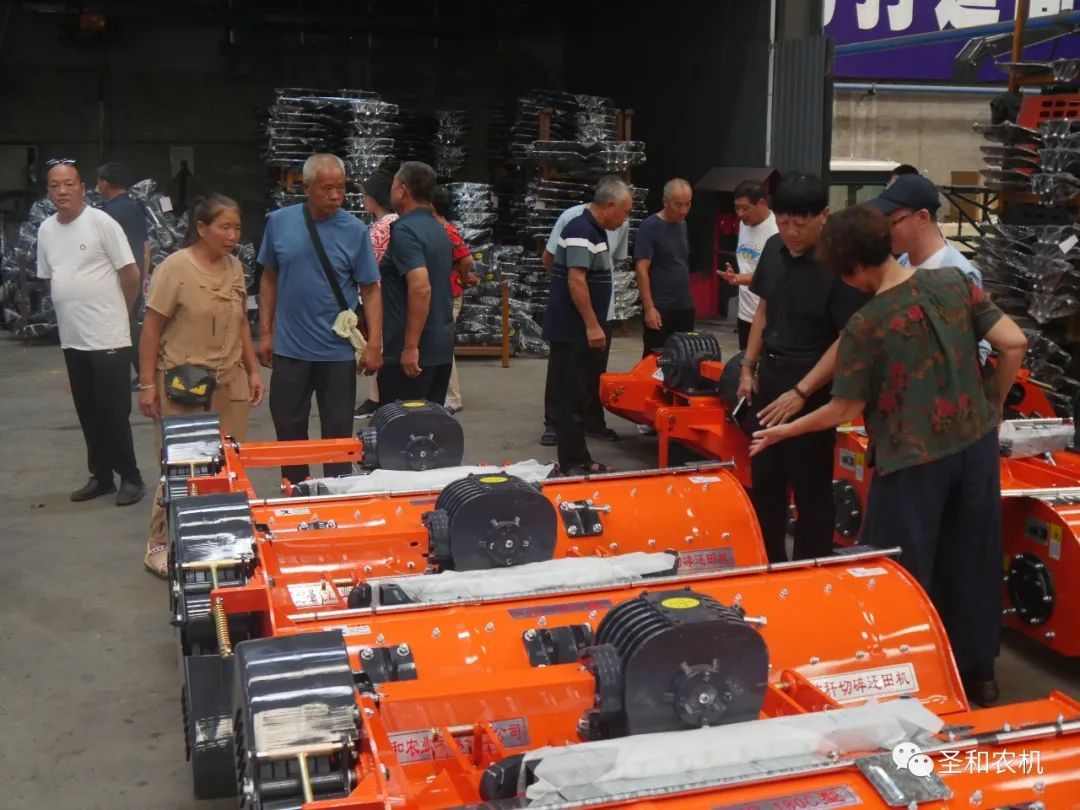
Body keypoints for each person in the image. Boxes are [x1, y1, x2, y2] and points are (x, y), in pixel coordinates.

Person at [750, 204, 1028, 706]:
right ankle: (978, 675)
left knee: (901, 572)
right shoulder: (954, 282)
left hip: (911, 461)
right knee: (974, 560)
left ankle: (913, 680)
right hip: (975, 452)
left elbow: (844, 408)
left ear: (853, 268)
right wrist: (992, 404)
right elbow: (1013, 343)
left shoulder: (868, 323)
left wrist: (784, 430)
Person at [738, 173, 870, 563]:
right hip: (770, 381)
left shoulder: (840, 263)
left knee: (811, 489)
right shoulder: (774, 248)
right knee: (765, 484)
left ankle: (811, 571)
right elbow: (763, 310)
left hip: (813, 391)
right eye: (783, 223)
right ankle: (769, 563)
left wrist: (802, 392)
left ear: (823, 216)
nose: (791, 233)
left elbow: (847, 338)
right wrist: (747, 366)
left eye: (801, 224)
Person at [137, 194, 265, 577]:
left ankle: (218, 543)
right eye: (224, 227)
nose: (232, 235)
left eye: (237, 228)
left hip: (229, 382)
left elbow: (241, 323)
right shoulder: (174, 269)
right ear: (201, 228)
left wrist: (253, 370)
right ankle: (159, 542)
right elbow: (151, 330)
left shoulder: (235, 267)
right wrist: (147, 384)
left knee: (227, 466)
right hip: (184, 386)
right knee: (180, 468)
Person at [257, 153, 383, 484]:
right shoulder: (279, 223)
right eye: (327, 188)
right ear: (307, 187)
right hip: (290, 349)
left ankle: (336, 492)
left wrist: (374, 344)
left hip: (337, 353)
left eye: (341, 188)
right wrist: (265, 332)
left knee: (338, 434)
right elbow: (268, 278)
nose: (336, 196)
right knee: (289, 429)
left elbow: (371, 289)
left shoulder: (355, 230)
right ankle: (296, 490)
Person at [36, 160, 145, 505]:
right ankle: (101, 477)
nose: (62, 191)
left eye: (69, 184)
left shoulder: (101, 223)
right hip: (73, 338)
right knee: (88, 411)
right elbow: (51, 277)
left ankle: (131, 477)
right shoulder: (46, 230)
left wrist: (121, 313)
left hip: (108, 336)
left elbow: (131, 274)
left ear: (83, 188)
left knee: (114, 412)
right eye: (55, 185)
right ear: (48, 191)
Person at [543, 176, 633, 475]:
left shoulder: (593, 230)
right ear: (610, 205)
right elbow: (576, 281)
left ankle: (580, 458)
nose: (625, 219)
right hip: (573, 330)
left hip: (579, 328)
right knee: (571, 397)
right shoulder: (581, 230)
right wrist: (593, 326)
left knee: (580, 394)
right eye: (624, 212)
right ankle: (573, 463)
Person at [377, 161, 455, 404]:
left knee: (403, 423)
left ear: (403, 190)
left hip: (414, 354)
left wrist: (410, 347)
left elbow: (421, 288)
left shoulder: (406, 231)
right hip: (440, 347)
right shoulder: (438, 228)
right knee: (429, 422)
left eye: (393, 185)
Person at [97, 162, 150, 384]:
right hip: (136, 274)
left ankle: (141, 374)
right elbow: (146, 245)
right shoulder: (135, 207)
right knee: (128, 322)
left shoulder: (107, 213)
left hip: (118, 277)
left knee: (122, 325)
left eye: (98, 182)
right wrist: (145, 275)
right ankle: (141, 373)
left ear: (104, 184)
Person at [634, 178, 694, 356]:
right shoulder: (650, 227)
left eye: (688, 204)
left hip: (684, 305)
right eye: (678, 205)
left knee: (684, 358)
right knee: (655, 359)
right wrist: (649, 308)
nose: (684, 210)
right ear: (665, 202)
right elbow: (641, 269)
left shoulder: (682, 224)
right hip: (661, 306)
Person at [355, 170, 398, 417]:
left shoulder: (382, 227)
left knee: (377, 347)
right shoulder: (397, 222)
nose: (363, 200)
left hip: (379, 296)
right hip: (391, 296)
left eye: (365, 195)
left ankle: (377, 399)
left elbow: (366, 264)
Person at [431, 186, 477, 414]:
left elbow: (466, 259)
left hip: (449, 294)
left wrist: (464, 277)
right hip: (444, 293)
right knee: (439, 343)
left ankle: (452, 397)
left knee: (442, 345)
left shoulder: (445, 230)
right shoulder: (440, 228)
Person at [719, 180, 778, 351]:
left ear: (762, 203)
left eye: (745, 208)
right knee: (744, 361)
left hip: (767, 318)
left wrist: (737, 278)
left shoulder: (776, 231)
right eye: (736, 208)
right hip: (744, 314)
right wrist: (735, 276)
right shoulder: (744, 225)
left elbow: (771, 274)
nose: (739, 214)